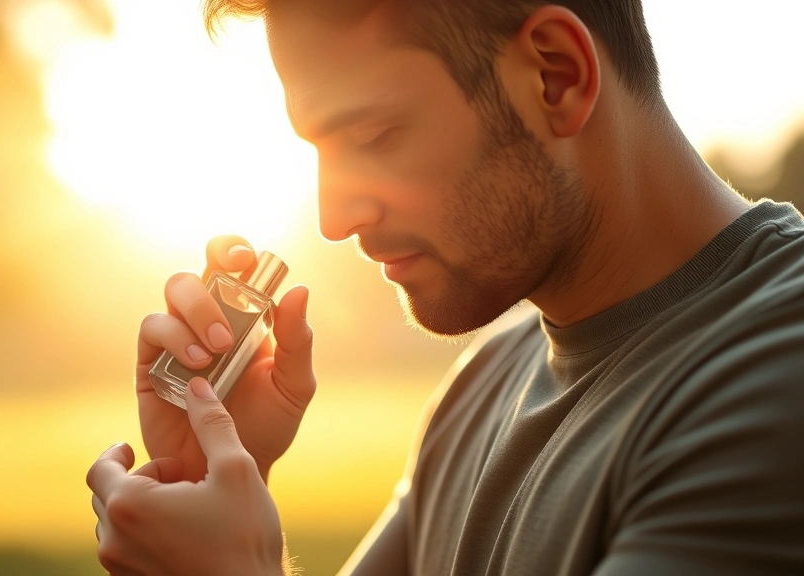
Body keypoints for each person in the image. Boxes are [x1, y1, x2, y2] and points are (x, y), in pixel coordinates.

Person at [85, 0, 804, 574]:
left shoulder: (774, 376)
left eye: (372, 136)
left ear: (556, 75)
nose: (334, 219)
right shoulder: (485, 385)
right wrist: (219, 472)